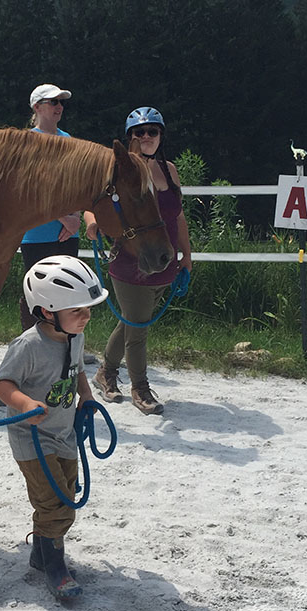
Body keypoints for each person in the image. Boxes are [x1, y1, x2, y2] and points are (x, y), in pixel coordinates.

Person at [0, 255, 108, 602]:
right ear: (46, 311)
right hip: (32, 438)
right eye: (78, 310)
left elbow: (77, 371)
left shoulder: (74, 336)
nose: (86, 316)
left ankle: (41, 554)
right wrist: (25, 405)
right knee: (57, 504)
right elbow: (2, 384)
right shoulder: (28, 346)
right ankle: (57, 568)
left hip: (64, 433)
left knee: (65, 493)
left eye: (88, 309)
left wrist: (86, 397)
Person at [91, 106, 191, 415]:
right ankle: (141, 388)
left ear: (161, 136)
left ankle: (105, 371)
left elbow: (179, 215)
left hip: (164, 260)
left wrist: (186, 255)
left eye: (153, 131)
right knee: (138, 327)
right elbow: (93, 202)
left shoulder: (170, 171)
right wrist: (91, 222)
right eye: (139, 132)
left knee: (132, 321)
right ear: (130, 138)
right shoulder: (119, 170)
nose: (146, 137)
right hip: (131, 260)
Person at [18, 84, 83, 331]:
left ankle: (68, 340)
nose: (59, 107)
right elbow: (27, 190)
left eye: (61, 102)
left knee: (70, 290)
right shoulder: (27, 143)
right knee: (38, 292)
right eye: (53, 102)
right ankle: (33, 345)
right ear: (37, 107)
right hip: (36, 232)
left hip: (68, 230)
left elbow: (78, 183)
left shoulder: (69, 140)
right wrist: (65, 218)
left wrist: (75, 218)